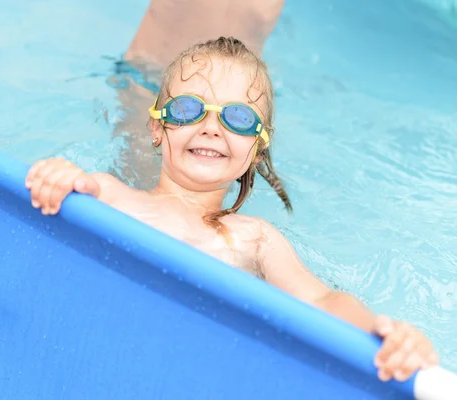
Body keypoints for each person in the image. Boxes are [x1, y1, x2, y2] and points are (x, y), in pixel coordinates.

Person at [26, 37, 439, 382]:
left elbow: (324, 300)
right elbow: (66, 193)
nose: (211, 126)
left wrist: (379, 336)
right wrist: (58, 176)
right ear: (156, 127)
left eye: (239, 118)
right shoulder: (109, 194)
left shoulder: (254, 238)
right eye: (188, 109)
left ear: (258, 150)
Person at [105, 0, 287, 190]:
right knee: (134, 177)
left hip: (236, 93)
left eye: (242, 118)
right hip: (147, 79)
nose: (211, 129)